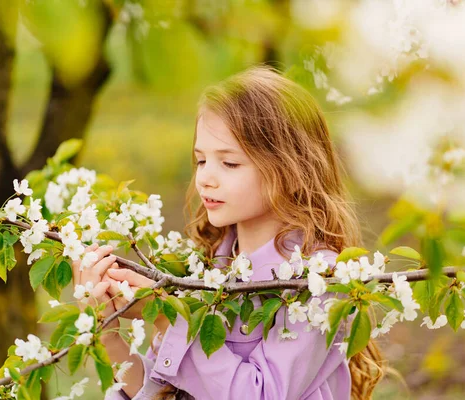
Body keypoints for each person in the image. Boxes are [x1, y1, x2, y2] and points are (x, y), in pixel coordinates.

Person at [72, 66, 385, 400]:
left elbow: (263, 395)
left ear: (292, 171)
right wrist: (105, 329)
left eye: (229, 163)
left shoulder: (318, 280)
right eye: (201, 160)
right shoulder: (203, 266)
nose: (206, 178)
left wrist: (168, 318)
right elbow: (163, 392)